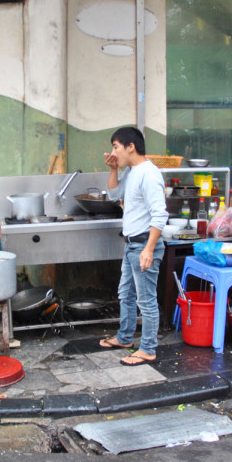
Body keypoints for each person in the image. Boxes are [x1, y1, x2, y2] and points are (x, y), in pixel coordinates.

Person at [98, 127, 169, 365]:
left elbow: (160, 215)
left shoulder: (149, 173)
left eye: (115, 147)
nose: (113, 152)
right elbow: (113, 194)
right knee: (125, 294)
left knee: (146, 300)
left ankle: (148, 348)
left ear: (131, 146)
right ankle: (125, 337)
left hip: (143, 245)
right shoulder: (131, 171)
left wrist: (148, 249)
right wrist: (113, 168)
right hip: (131, 244)